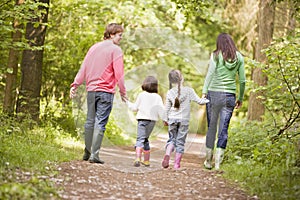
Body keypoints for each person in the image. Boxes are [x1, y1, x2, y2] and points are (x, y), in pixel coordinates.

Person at [70, 23, 127, 164]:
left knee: (89, 121)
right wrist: (123, 91)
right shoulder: (116, 50)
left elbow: (84, 67)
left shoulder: (93, 48)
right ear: (112, 34)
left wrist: (75, 84)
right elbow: (119, 73)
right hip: (106, 91)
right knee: (100, 122)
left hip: (91, 90)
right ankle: (94, 155)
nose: (121, 38)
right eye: (120, 35)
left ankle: (87, 152)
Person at [202, 33, 246, 170]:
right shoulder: (239, 57)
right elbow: (243, 80)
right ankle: (218, 164)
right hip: (229, 96)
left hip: (213, 94)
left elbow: (210, 73)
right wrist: (240, 98)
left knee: (212, 127)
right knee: (224, 128)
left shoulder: (215, 55)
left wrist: (204, 91)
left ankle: (208, 161)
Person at [162, 69, 209, 170]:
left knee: (171, 140)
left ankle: (167, 154)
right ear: (181, 79)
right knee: (180, 142)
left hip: (172, 119)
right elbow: (200, 102)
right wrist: (208, 99)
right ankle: (176, 165)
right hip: (184, 120)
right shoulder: (188, 91)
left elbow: (167, 108)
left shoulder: (170, 92)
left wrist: (165, 119)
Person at [126, 76, 166, 167]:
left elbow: (135, 108)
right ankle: (146, 161)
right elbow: (161, 110)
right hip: (152, 122)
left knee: (140, 139)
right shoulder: (157, 97)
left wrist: (127, 102)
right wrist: (165, 120)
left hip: (142, 120)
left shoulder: (142, 95)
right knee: (145, 139)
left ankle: (137, 158)